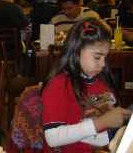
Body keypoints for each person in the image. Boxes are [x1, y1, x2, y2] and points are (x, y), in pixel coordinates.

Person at [41, 18, 132, 152]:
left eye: (105, 58)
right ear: (76, 51)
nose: (103, 64)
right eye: (97, 57)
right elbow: (52, 137)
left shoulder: (101, 80)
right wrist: (101, 122)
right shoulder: (59, 84)